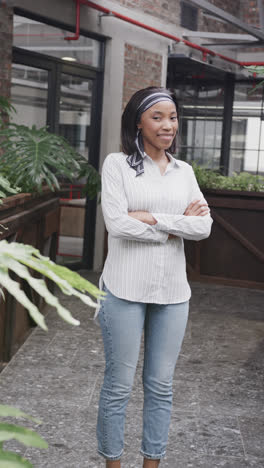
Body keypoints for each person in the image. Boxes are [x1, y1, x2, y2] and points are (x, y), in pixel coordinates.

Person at [96, 87, 213, 468]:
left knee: (161, 387)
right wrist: (178, 225)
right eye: (158, 117)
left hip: (174, 293)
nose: (168, 125)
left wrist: (151, 217)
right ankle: (113, 463)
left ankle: (152, 464)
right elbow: (116, 223)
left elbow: (205, 227)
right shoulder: (117, 165)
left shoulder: (185, 172)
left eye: (173, 117)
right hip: (124, 289)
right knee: (119, 387)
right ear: (138, 122)